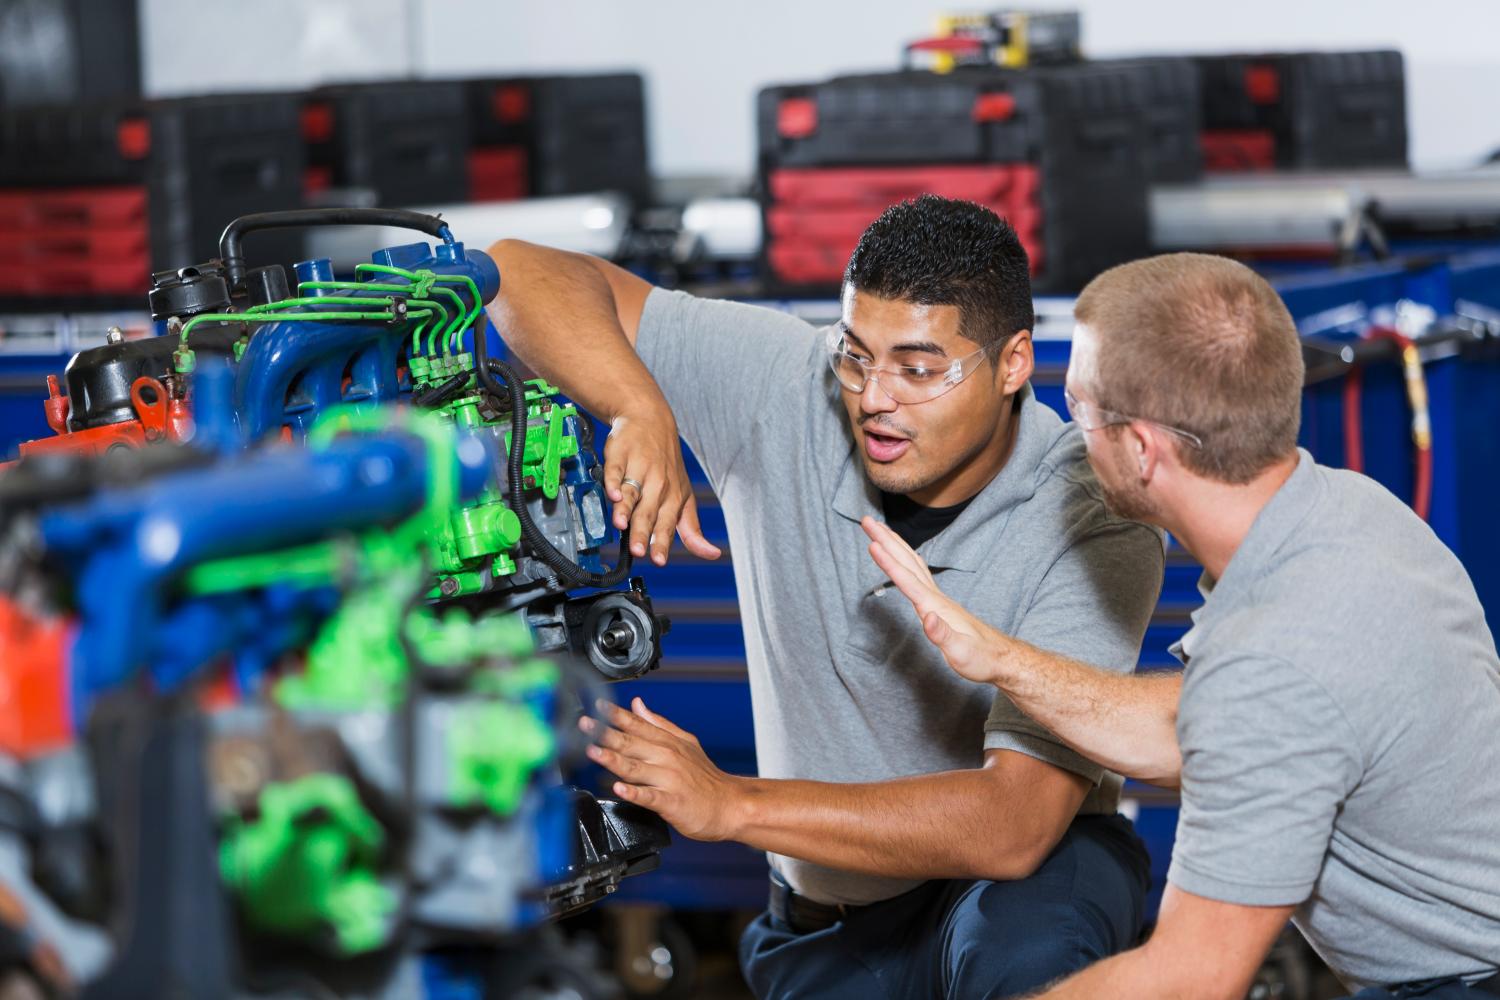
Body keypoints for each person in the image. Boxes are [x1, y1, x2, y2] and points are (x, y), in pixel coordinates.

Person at [485, 195, 1165, 998]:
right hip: (827, 926)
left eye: (917, 368)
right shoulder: (788, 382)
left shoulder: (1092, 518)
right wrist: (635, 402)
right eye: (857, 355)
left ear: (1013, 363)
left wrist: (731, 804)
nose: (875, 396)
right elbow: (518, 273)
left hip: (1015, 896)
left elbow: (1014, 825)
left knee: (1025, 945)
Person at [864, 251, 1500, 999]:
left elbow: (1189, 979)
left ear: (1142, 448)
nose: (1069, 435)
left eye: (1079, 409)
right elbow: (1195, 729)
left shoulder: (1271, 659)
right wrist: (997, 657)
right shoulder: (1351, 513)